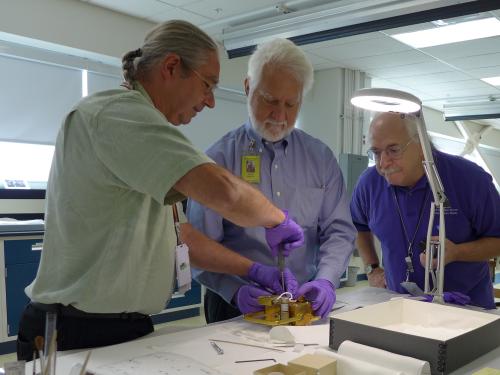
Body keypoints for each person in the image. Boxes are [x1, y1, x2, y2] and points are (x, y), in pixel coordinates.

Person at [16, 20, 305, 360]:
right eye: (207, 85)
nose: (210, 101)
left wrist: (251, 270)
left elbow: (180, 237)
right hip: (75, 331)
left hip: (121, 328)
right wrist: (276, 219)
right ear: (171, 67)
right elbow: (224, 191)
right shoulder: (119, 115)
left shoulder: (143, 133)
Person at [187, 38, 356, 323]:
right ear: (247, 87)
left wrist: (326, 280)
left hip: (305, 303)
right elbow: (200, 245)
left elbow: (339, 231)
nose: (280, 115)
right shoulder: (216, 160)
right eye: (270, 100)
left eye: (291, 104)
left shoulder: (321, 158)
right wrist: (234, 290)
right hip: (236, 305)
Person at [351, 112, 500, 309]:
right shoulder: (369, 184)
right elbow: (358, 226)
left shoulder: (470, 180)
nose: (383, 164)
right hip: (401, 307)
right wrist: (372, 268)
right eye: (376, 153)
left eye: (393, 150)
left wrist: (457, 252)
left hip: (468, 309)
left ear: (422, 146)